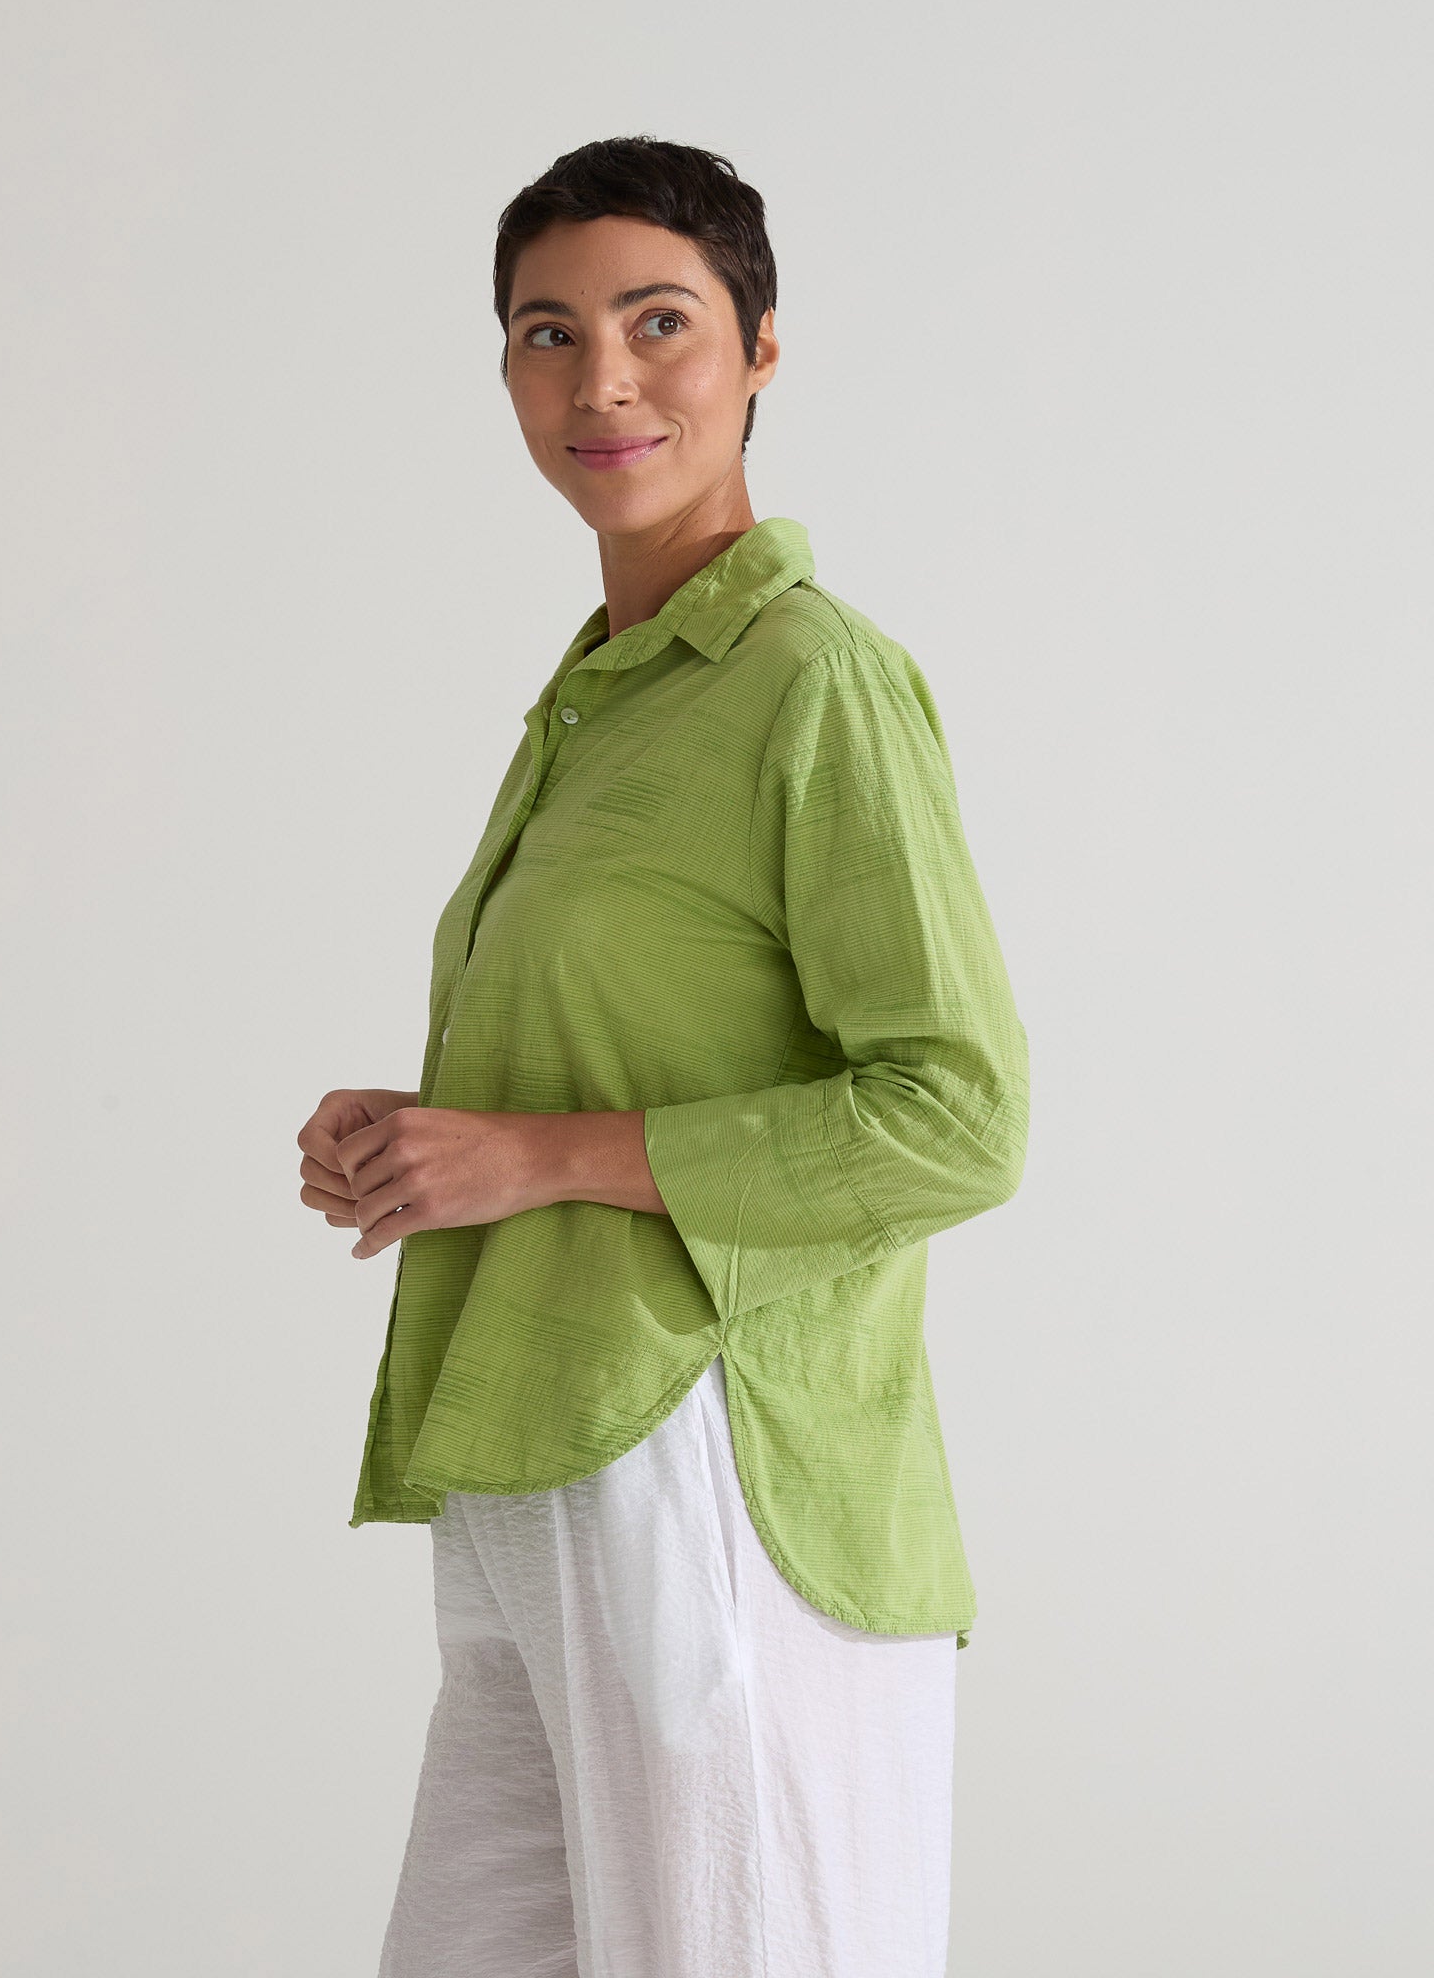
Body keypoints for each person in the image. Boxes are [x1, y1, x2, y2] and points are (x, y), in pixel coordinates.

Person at [297, 135, 1030, 1978]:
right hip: (533, 1455)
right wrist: (425, 1138)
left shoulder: (810, 679)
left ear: (762, 347)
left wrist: (533, 1157)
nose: (601, 381)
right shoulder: (600, 699)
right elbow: (626, 1050)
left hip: (713, 1459)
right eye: (547, 333)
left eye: (659, 322)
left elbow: (957, 1116)